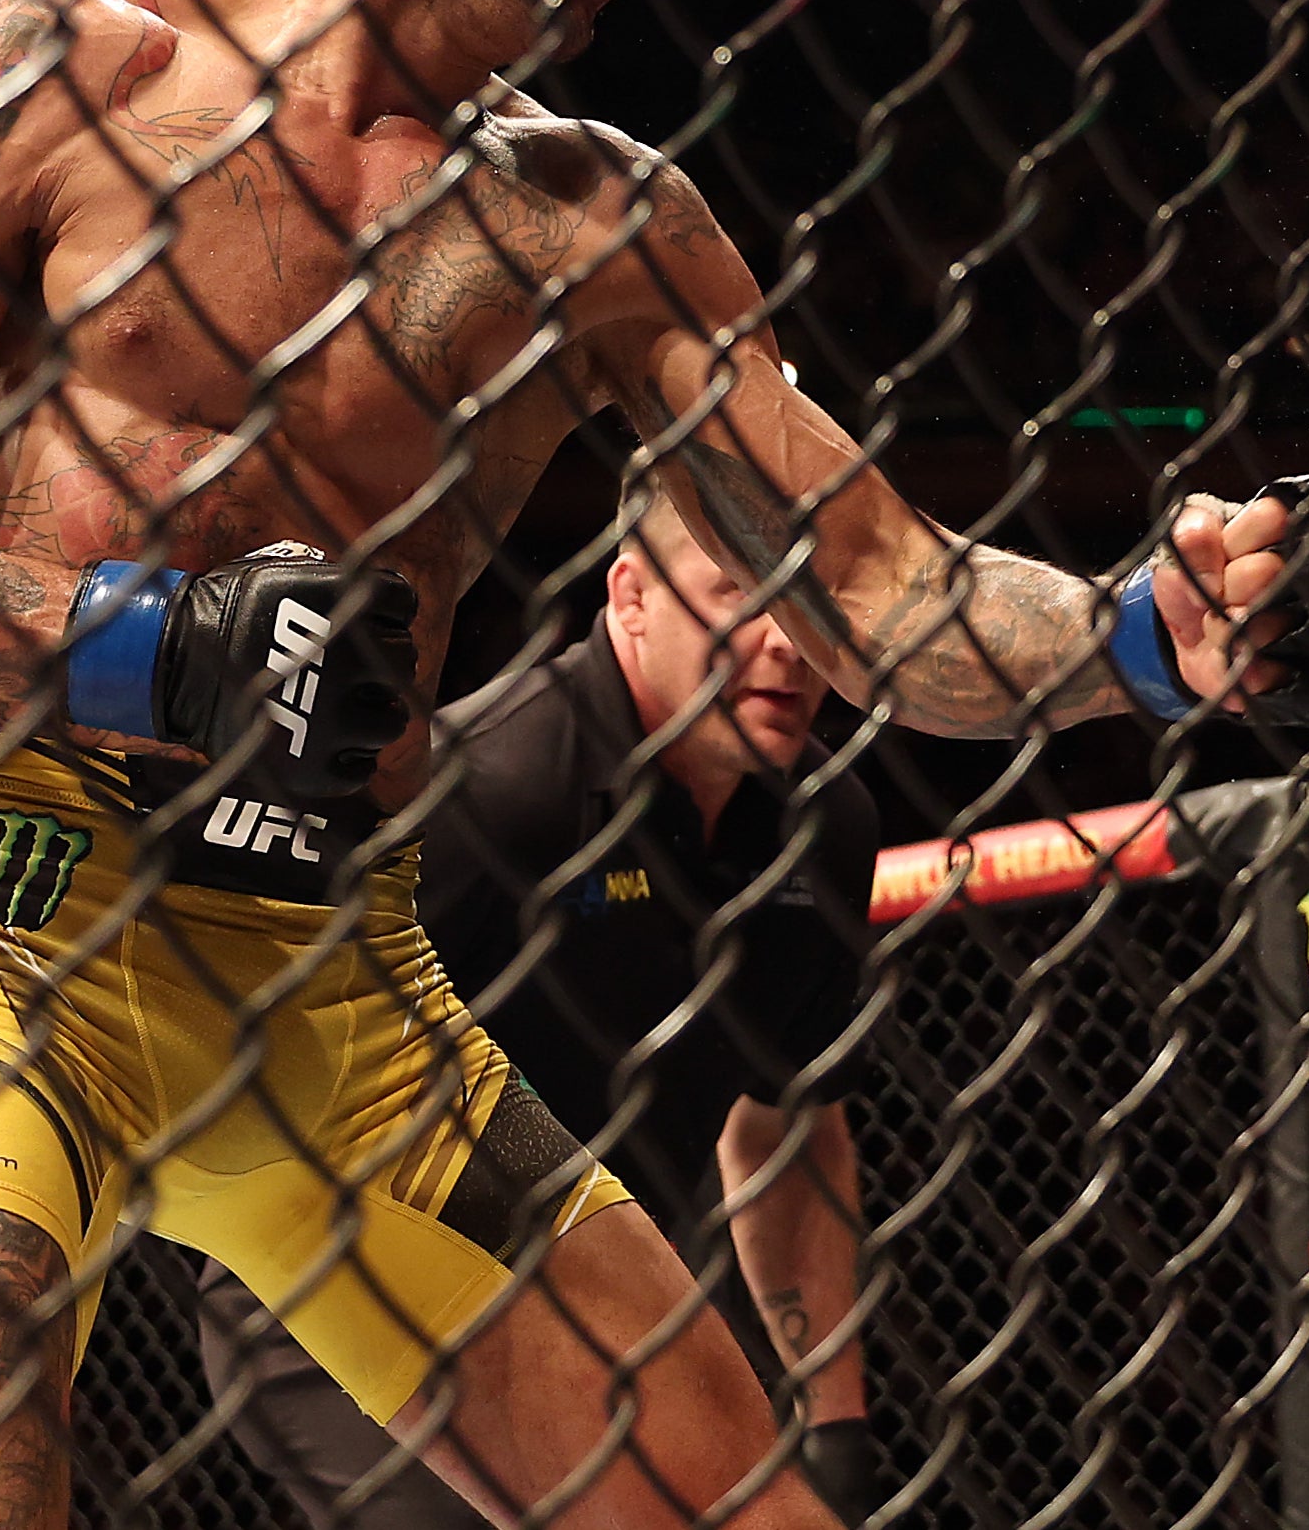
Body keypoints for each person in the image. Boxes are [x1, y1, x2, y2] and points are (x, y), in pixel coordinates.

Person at [0, 0, 1298, 1530]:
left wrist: (1132, 636)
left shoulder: (600, 221)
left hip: (340, 977)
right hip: (13, 926)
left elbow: (879, 580)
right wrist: (146, 647)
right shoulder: (52, 81)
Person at [198, 495, 885, 1530]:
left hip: (601, 1293)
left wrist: (833, 1423)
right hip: (341, 1287)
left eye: (805, 600)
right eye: (738, 599)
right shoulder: (496, 784)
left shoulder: (826, 828)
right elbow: (279, 1044)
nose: (787, 643)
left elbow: (786, 1127)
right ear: (632, 596)